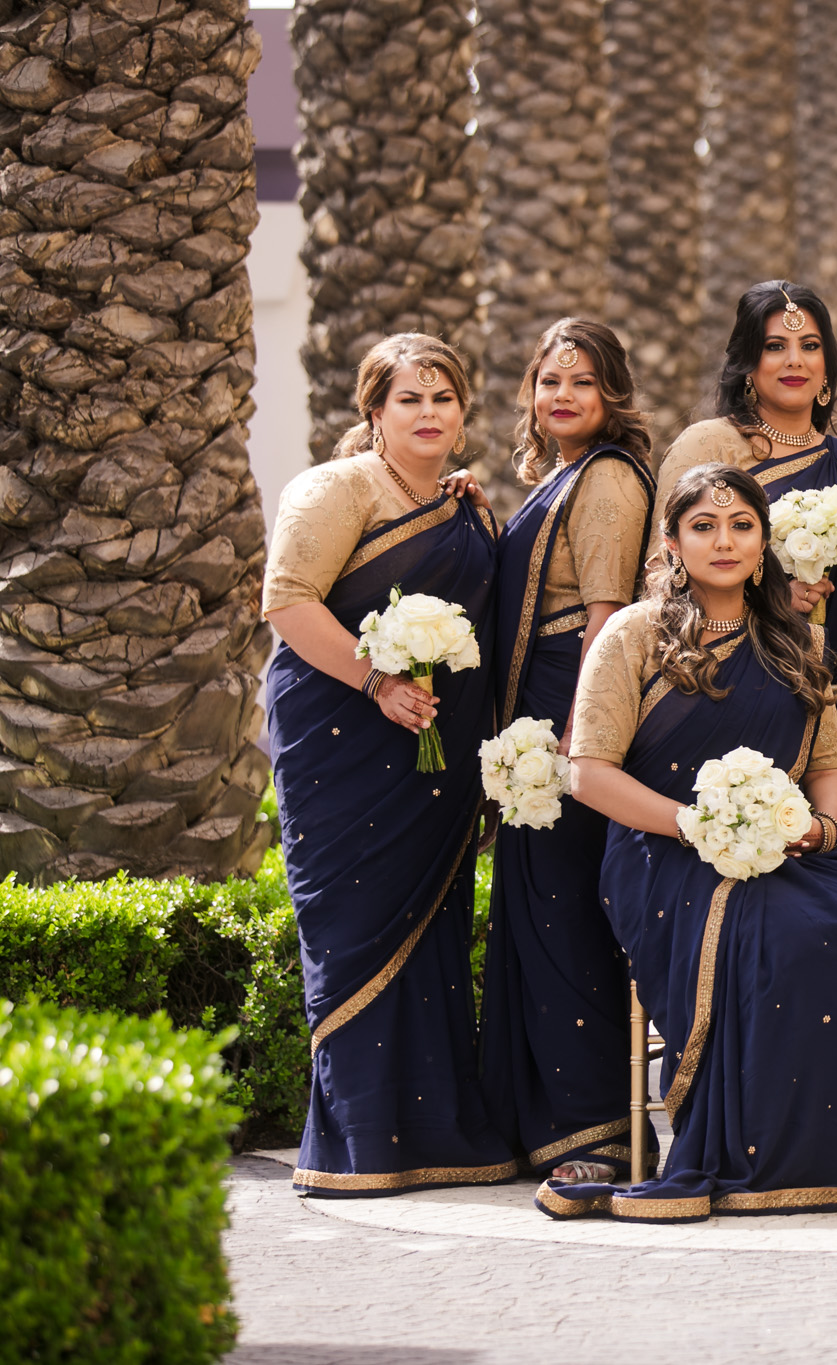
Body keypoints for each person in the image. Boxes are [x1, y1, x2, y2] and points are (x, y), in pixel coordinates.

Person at [536, 464, 837, 1223]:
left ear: (763, 540)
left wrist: (822, 828)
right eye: (703, 526)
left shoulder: (798, 639)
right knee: (778, 933)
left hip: (783, 849)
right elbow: (587, 773)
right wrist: (694, 823)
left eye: (741, 524)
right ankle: (748, 1151)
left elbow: (830, 767)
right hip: (661, 853)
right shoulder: (633, 634)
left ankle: (822, 1154)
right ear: (672, 541)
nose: (724, 539)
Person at [264, 334, 516, 1197]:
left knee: (434, 924)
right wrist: (375, 680)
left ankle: (440, 1134)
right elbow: (286, 601)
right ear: (374, 411)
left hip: (429, 753)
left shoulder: (462, 501)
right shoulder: (337, 488)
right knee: (354, 926)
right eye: (411, 398)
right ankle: (358, 1142)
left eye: (444, 397)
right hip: (344, 740)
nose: (430, 413)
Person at [475, 319, 655, 1183]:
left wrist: (576, 729)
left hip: (566, 708)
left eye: (581, 382)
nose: (563, 396)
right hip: (535, 708)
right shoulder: (558, 477)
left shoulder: (610, 478)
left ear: (611, 393)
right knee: (536, 910)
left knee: (566, 917)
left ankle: (592, 1134)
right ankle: (545, 1121)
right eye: (550, 380)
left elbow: (604, 617)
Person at [657, 280, 837, 719]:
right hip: (721, 683)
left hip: (836, 690)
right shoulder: (710, 446)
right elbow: (662, 571)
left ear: (827, 364)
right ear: (748, 364)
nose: (795, 360)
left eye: (809, 345)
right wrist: (771, 600)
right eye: (775, 346)